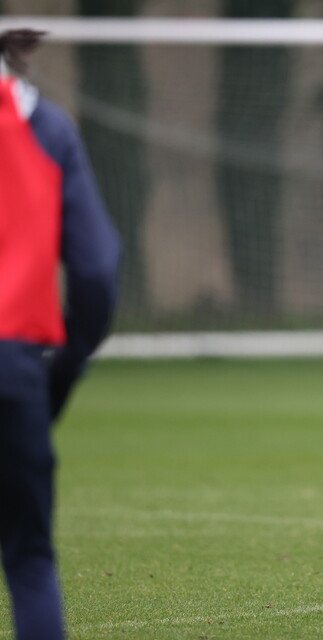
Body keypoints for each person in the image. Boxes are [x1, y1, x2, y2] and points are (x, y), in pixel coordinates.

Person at [0, 30, 121, 639]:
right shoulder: (45, 128)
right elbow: (96, 270)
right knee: (28, 558)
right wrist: (67, 362)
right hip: (14, 366)